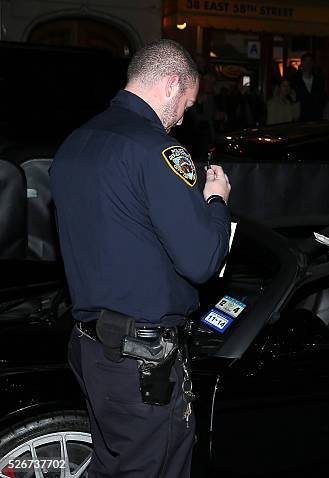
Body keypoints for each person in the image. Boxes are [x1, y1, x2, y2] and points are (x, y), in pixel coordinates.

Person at [50, 39, 231, 478]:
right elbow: (202, 262)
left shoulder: (77, 141)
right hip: (142, 360)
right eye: (185, 103)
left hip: (92, 349)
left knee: (109, 466)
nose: (183, 118)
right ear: (171, 85)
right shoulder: (158, 151)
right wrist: (215, 202)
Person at [291, 52, 326, 121]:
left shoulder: (319, 81)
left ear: (313, 64)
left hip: (316, 118)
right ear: (302, 64)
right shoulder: (295, 81)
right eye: (305, 61)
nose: (308, 64)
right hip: (300, 119)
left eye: (310, 61)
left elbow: (322, 98)